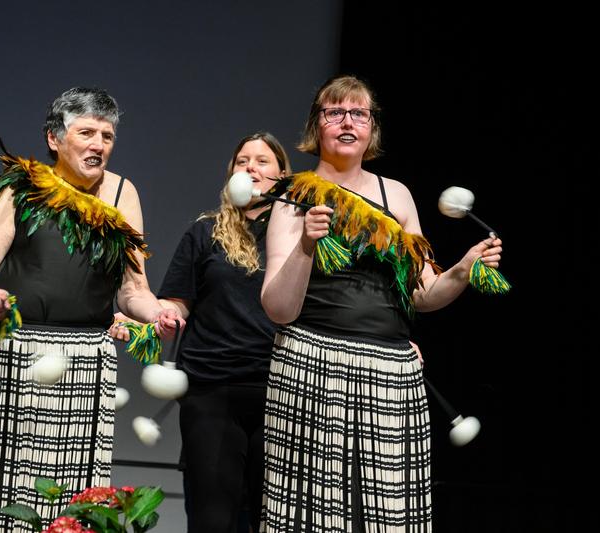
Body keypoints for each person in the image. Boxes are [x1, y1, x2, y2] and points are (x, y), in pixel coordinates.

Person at [259, 75, 503, 531]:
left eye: (358, 113)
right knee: (310, 513)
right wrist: (306, 247)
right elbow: (278, 308)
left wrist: (463, 268)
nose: (347, 122)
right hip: (312, 362)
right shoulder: (294, 194)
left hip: (391, 371)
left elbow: (424, 294)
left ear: (372, 126)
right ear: (318, 125)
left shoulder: (398, 195)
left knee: (390, 515)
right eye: (335, 112)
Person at [0, 86, 180, 531]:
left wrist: (155, 312)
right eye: (87, 132)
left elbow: (131, 289)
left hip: (83, 361)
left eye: (107, 136)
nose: (99, 144)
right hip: (12, 355)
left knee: (73, 498)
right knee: (4, 492)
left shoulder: (121, 195)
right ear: (54, 138)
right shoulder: (22, 189)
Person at [151, 132, 290, 533]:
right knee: (213, 517)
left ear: (282, 174)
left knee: (272, 518)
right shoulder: (204, 232)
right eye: (242, 160)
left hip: (280, 390)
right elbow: (177, 300)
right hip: (211, 388)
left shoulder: (299, 235)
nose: (251, 167)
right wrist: (164, 314)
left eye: (263, 161)